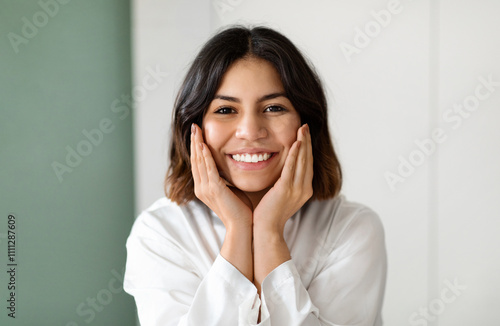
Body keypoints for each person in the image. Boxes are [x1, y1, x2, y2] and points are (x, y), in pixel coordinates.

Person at [124, 25, 387, 326]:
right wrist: (238, 228)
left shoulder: (351, 229)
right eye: (225, 110)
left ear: (308, 125)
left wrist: (268, 231)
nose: (250, 132)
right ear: (194, 128)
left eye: (274, 107)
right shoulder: (160, 233)